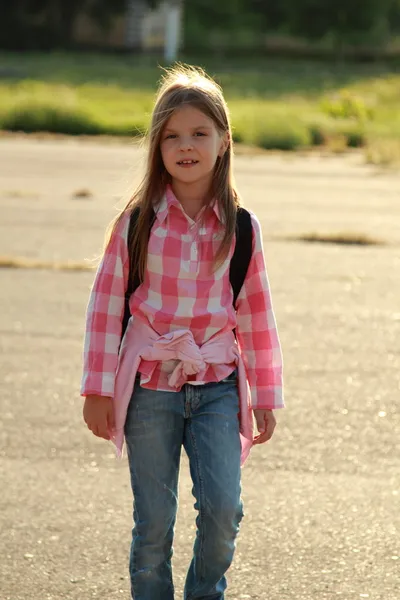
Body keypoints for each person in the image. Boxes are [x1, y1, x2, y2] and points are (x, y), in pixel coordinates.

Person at [81, 64, 284, 600]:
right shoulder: (138, 222)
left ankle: (203, 592)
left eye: (199, 132)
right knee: (153, 522)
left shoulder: (241, 226)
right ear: (157, 146)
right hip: (149, 386)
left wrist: (265, 393)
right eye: (171, 135)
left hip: (217, 383)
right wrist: (97, 389)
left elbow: (256, 314)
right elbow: (105, 308)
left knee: (223, 509)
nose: (185, 145)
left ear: (223, 141)